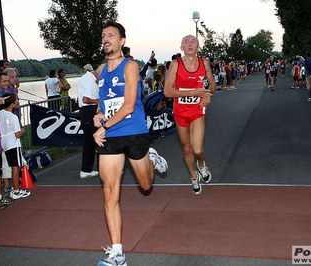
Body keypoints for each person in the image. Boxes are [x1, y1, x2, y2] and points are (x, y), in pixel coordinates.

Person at [93, 21, 168, 266]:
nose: (106, 38)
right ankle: (118, 254)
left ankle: (150, 157)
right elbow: (103, 101)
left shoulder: (131, 66)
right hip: (110, 137)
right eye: (103, 35)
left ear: (122, 41)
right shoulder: (101, 68)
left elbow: (128, 105)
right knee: (109, 193)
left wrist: (103, 126)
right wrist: (98, 114)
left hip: (134, 132)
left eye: (111, 35)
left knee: (145, 186)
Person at [164, 34, 215, 196]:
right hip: (180, 112)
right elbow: (167, 91)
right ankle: (194, 177)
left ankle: (201, 164)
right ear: (182, 48)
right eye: (186, 42)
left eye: (193, 41)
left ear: (198, 47)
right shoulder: (176, 64)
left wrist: (208, 95)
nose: (190, 43)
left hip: (197, 110)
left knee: (197, 149)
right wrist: (194, 92)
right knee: (187, 149)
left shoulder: (203, 63)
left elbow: (212, 84)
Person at [0, 93, 31, 199]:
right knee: (16, 167)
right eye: (16, 100)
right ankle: (16, 190)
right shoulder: (13, 117)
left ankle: (15, 188)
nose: (17, 102)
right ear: (12, 104)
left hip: (4, 141)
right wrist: (22, 131)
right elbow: (17, 134)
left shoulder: (0, 113)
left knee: (14, 166)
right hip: (13, 143)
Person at [77, 64, 99, 179]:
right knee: (92, 140)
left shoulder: (84, 78)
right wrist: (98, 101)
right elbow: (86, 99)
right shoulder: (91, 80)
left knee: (90, 141)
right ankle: (86, 169)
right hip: (89, 111)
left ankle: (87, 168)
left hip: (85, 111)